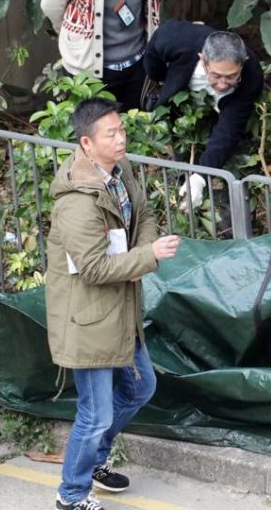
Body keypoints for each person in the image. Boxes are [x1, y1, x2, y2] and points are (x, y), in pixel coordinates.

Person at [45, 99, 181, 510]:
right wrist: (147, 257)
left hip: (119, 309)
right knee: (95, 413)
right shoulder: (75, 199)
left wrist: (142, 253)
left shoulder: (121, 175)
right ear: (87, 142)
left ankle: (93, 462)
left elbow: (145, 213)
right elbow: (92, 267)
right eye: (112, 134)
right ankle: (71, 495)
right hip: (87, 318)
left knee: (141, 385)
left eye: (122, 130)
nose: (122, 138)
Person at [142, 21, 264, 203]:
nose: (223, 84)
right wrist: (160, 77)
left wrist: (201, 177)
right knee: (178, 157)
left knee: (231, 156)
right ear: (202, 60)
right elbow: (153, 54)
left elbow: (228, 131)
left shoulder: (252, 74)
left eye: (231, 76)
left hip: (223, 112)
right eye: (216, 75)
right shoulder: (177, 38)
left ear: (243, 63)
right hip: (184, 109)